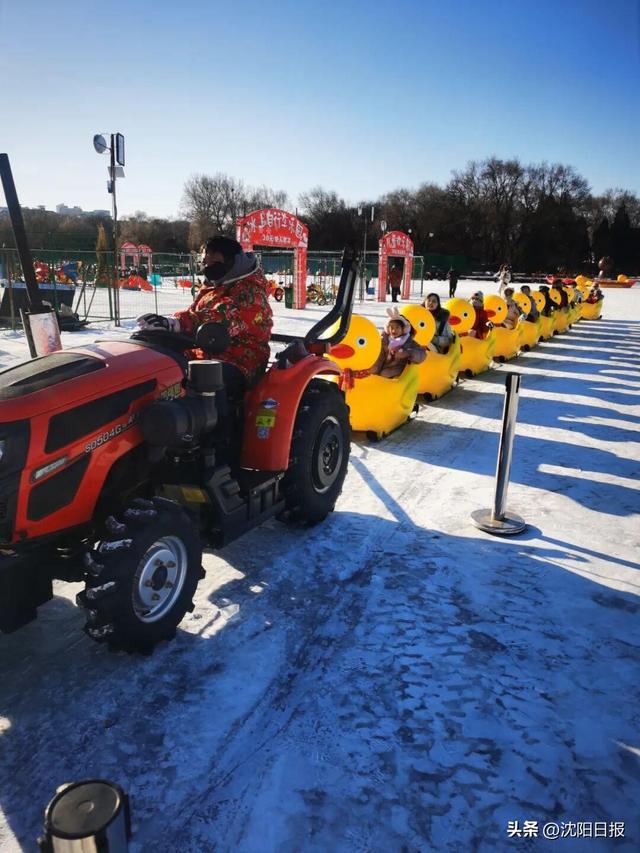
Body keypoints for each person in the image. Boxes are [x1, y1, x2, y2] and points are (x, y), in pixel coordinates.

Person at [137, 236, 273, 394]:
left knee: (194, 382)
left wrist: (177, 324)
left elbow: (223, 319)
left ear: (232, 261)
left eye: (213, 259)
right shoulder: (215, 285)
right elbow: (195, 313)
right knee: (160, 367)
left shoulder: (250, 293)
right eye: (205, 260)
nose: (207, 264)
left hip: (239, 362)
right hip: (206, 352)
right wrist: (167, 327)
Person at [370, 308, 426, 378]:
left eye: (397, 327)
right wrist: (375, 368)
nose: (394, 330)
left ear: (403, 329)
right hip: (383, 366)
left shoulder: (408, 341)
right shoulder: (384, 340)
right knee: (373, 371)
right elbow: (379, 356)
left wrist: (408, 352)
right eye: (391, 327)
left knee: (385, 373)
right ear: (387, 329)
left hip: (399, 369)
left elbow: (422, 354)